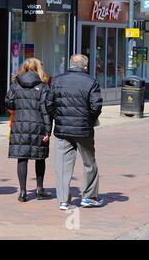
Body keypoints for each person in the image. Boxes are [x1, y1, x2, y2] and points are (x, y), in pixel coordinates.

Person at [47, 54, 103, 210]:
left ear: (71, 64)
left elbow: (48, 104)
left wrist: (58, 117)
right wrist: (89, 119)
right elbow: (96, 106)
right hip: (83, 129)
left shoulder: (57, 80)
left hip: (62, 129)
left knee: (62, 166)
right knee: (89, 163)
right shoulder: (91, 82)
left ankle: (64, 200)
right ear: (85, 67)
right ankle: (89, 197)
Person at [5, 58, 52, 203]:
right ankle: (39, 189)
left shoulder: (15, 84)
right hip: (38, 124)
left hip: (20, 124)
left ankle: (23, 192)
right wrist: (48, 131)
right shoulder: (43, 86)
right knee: (40, 157)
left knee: (22, 157)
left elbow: (9, 103)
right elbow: (47, 109)